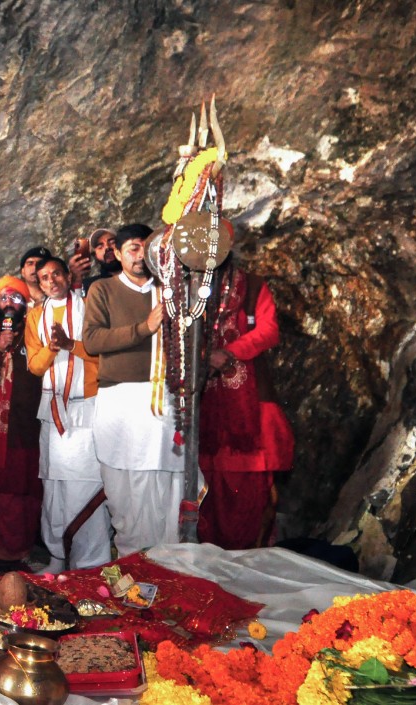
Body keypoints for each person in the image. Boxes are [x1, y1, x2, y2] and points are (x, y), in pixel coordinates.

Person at [83, 224, 184, 556]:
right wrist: (145, 328)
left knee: (168, 483)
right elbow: (93, 340)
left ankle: (170, 565)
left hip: (164, 400)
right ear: (118, 254)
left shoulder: (170, 291)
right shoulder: (103, 289)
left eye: (145, 248)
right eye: (133, 249)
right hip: (121, 400)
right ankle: (132, 563)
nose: (140, 256)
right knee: (125, 487)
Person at [198, 258, 294, 549]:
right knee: (206, 480)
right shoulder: (187, 287)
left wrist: (228, 352)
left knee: (251, 480)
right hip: (204, 397)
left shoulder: (251, 285)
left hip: (249, 396)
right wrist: (203, 355)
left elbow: (268, 331)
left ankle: (250, 553)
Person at [25, 257, 110, 571]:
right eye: (44, 277)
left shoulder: (89, 307)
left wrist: (70, 344)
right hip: (52, 409)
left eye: (56, 274)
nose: (51, 281)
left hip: (85, 406)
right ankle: (58, 556)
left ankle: (92, 561)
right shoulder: (35, 316)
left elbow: (104, 354)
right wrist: (53, 347)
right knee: (54, 485)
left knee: (84, 484)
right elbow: (34, 365)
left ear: (67, 275)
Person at [0, 276, 44, 563]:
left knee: (23, 486)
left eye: (15, 298)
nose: (8, 304)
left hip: (25, 423)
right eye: (3, 298)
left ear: (24, 303)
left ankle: (22, 549)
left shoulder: (35, 329)